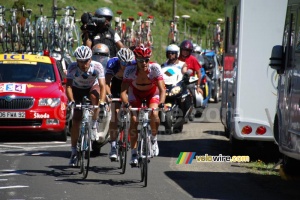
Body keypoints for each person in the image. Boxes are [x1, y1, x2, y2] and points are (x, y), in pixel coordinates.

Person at [120, 44, 166, 166]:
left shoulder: (155, 68)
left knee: (154, 114)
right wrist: (126, 104)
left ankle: (154, 139)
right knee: (134, 120)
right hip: (135, 94)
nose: (144, 63)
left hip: (152, 93)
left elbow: (162, 89)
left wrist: (161, 103)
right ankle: (134, 152)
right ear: (136, 59)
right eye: (141, 61)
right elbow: (123, 92)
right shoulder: (129, 70)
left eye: (146, 60)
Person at [66, 45, 106, 166]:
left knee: (95, 97)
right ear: (77, 61)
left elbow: (103, 86)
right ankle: (73, 152)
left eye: (86, 61)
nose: (84, 64)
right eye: (80, 61)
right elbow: (68, 86)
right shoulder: (72, 67)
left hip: (91, 88)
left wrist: (102, 102)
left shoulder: (97, 66)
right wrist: (72, 101)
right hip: (77, 90)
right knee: (76, 119)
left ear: (90, 59)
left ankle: (94, 124)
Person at [105, 48, 135, 161]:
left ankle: (128, 133)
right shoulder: (112, 63)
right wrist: (109, 95)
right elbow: (107, 83)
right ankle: (113, 146)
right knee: (115, 114)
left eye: (128, 63)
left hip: (130, 84)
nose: (125, 65)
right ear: (119, 61)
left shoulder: (134, 64)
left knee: (133, 111)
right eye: (123, 63)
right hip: (117, 84)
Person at [178, 40, 203, 120]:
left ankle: (194, 108)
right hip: (178, 81)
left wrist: (198, 86)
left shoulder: (193, 59)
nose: (185, 52)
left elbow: (199, 73)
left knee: (192, 91)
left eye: (187, 51)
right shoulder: (177, 58)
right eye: (183, 50)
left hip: (190, 81)